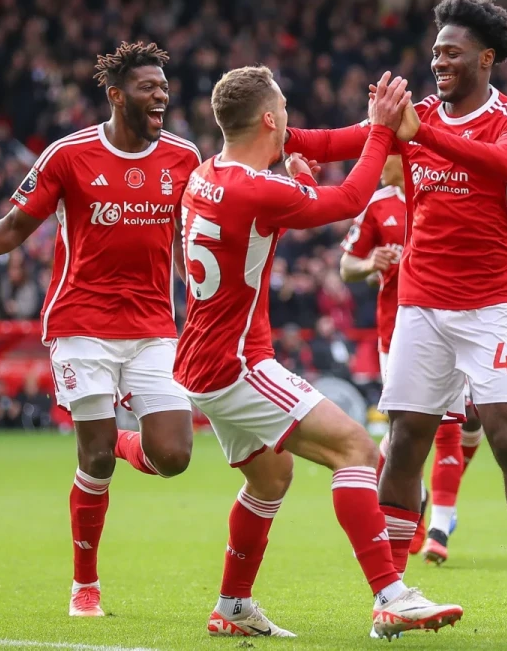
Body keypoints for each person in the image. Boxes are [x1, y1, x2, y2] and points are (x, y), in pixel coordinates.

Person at [286, 0, 507, 637]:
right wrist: (276, 135)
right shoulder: (420, 117)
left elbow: (505, 166)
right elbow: (344, 139)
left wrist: (423, 132)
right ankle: (394, 591)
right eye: (435, 51)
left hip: (493, 304)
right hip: (420, 305)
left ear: (486, 57)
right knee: (404, 440)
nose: (438, 61)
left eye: (452, 51)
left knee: (505, 436)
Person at [173, 65, 462, 639]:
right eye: (285, 109)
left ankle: (231, 607)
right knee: (355, 447)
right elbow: (353, 195)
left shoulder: (207, 174)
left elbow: (317, 156)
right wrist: (376, 135)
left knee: (269, 479)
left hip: (203, 358)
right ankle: (390, 595)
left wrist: (376, 126)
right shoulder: (259, 189)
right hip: (238, 364)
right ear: (270, 119)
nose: (291, 120)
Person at [0, 41, 201, 617]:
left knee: (175, 454)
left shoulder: (184, 156)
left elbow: (191, 243)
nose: (162, 97)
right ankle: (85, 585)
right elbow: (11, 230)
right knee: (95, 461)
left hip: (155, 324)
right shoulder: (68, 155)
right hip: (83, 324)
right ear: (115, 95)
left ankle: (123, 439)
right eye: (149, 89)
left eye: (163, 88)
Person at [338, 155, 478, 567]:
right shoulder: (377, 205)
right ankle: (411, 505)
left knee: (451, 427)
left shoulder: (446, 195)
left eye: (389, 156)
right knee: (405, 431)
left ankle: (438, 528)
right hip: (395, 333)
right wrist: (369, 264)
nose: (381, 163)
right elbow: (347, 266)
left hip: (453, 325)